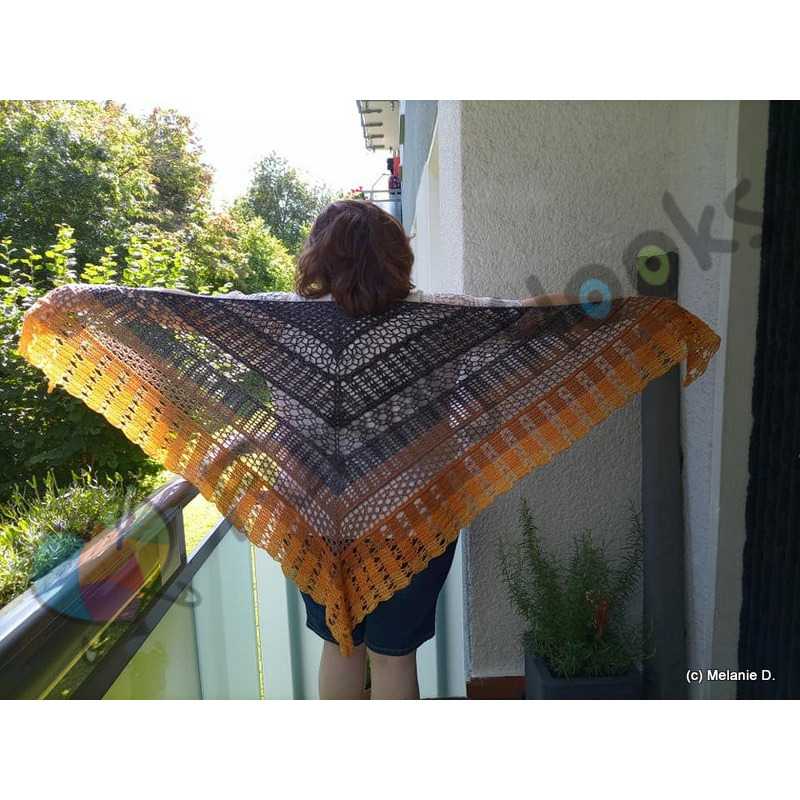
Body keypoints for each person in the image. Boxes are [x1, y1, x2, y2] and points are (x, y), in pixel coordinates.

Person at [288, 199, 573, 699]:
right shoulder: (441, 319)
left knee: (340, 646)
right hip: (414, 519)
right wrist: (608, 303)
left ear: (319, 257)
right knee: (394, 656)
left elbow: (185, 311)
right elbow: (535, 313)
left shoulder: (281, 320)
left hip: (318, 521)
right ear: (396, 256)